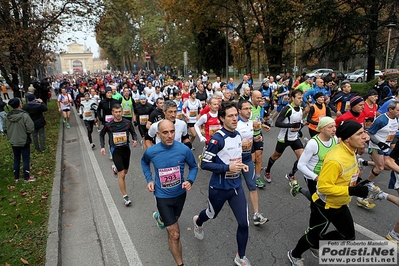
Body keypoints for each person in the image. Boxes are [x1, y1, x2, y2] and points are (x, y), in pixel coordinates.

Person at [288, 120, 370, 266]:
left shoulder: (350, 150)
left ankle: (315, 243)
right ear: (347, 139)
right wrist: (352, 190)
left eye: (363, 132)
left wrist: (356, 181)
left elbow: (346, 173)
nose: (365, 137)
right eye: (360, 134)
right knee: (314, 235)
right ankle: (295, 255)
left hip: (340, 202)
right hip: (325, 204)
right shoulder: (335, 159)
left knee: (348, 236)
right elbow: (323, 187)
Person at [192, 101, 252, 266]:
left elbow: (236, 158)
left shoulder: (238, 135)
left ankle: (240, 256)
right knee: (211, 214)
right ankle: (198, 221)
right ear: (222, 119)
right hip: (218, 187)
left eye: (235, 115)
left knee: (243, 223)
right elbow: (204, 164)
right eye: (230, 116)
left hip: (236, 186)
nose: (234, 119)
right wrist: (227, 167)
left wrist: (241, 165)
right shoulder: (217, 140)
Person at [141, 119, 198, 266]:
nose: (169, 135)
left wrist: (190, 181)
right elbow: (144, 162)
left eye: (172, 131)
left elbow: (193, 167)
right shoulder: (152, 151)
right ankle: (180, 264)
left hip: (180, 195)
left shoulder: (184, 149)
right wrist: (149, 180)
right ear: (158, 134)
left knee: (174, 220)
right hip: (162, 196)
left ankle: (160, 218)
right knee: (175, 234)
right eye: (165, 132)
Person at [357, 101, 399, 209]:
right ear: (390, 110)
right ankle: (366, 183)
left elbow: (393, 133)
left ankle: (363, 162)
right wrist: (379, 143)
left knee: (387, 167)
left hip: (386, 146)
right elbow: (370, 133)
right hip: (376, 146)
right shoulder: (381, 120)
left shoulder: (396, 119)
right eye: (398, 110)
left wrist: (392, 145)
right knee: (380, 167)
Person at [99, 104, 138, 206]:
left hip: (126, 149)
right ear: (112, 113)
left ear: (122, 112)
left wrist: (135, 140)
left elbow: (133, 132)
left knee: (125, 171)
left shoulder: (127, 123)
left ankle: (115, 169)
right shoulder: (109, 125)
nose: (118, 114)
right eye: (116, 112)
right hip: (115, 150)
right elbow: (101, 134)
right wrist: (102, 146)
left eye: (119, 111)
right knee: (122, 174)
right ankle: (125, 197)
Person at [237, 100, 269, 225]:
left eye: (249, 108)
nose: (248, 111)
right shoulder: (235, 124)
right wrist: (240, 144)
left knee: (252, 186)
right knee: (231, 187)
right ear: (239, 110)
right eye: (245, 109)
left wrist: (256, 138)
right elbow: (227, 143)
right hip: (234, 160)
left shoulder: (251, 123)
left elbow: (250, 139)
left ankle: (256, 214)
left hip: (247, 158)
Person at [264, 89, 304, 184]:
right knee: (276, 156)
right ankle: (267, 170)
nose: (301, 99)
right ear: (292, 98)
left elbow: (298, 122)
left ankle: (291, 175)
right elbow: (278, 123)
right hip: (284, 139)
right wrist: (291, 126)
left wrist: (299, 129)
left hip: (294, 138)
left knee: (302, 158)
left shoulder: (301, 109)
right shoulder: (287, 109)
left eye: (302, 97)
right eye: (299, 98)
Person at [293, 117, 338, 199]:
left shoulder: (334, 139)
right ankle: (298, 188)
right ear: (321, 129)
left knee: (324, 199)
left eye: (334, 126)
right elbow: (300, 165)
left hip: (327, 176)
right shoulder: (313, 144)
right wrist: (316, 177)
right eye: (330, 127)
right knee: (315, 200)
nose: (334, 129)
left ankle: (298, 188)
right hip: (313, 177)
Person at [4, 98, 35, 183]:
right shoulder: (24, 115)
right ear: (19, 104)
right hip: (24, 140)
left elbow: (4, 128)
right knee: (26, 159)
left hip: (13, 141)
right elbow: (30, 128)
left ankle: (16, 177)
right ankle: (26, 177)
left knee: (16, 158)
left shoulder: (8, 116)